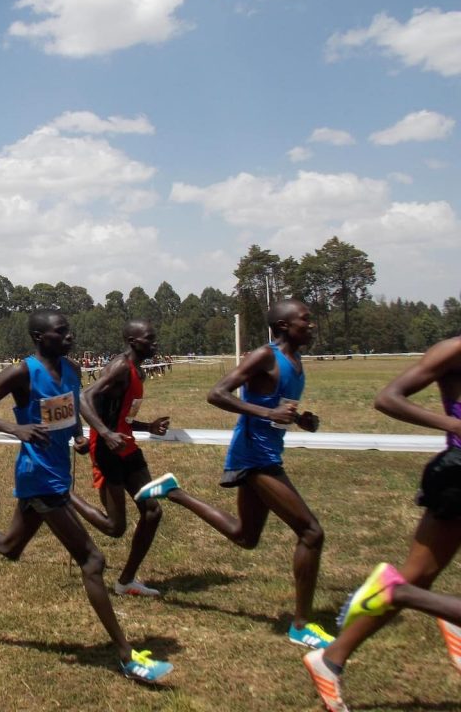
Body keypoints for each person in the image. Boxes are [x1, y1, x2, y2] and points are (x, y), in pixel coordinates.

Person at [0, 309, 173, 681]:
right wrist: (15, 428)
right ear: (38, 337)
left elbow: (69, 409)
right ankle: (127, 657)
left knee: (8, 546)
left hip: (57, 470)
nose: (69, 337)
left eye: (68, 331)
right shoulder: (21, 373)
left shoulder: (74, 370)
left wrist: (78, 435)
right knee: (92, 561)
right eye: (60, 332)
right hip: (38, 476)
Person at [134, 299, 330, 649]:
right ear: (284, 326)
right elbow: (217, 394)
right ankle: (301, 625)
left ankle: (174, 491)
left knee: (245, 537)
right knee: (311, 532)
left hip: (268, 453)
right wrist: (266, 414)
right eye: (305, 319)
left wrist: (301, 420)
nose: (311, 325)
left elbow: (276, 405)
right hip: (254, 457)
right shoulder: (265, 356)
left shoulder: (295, 362)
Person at [304, 334, 461, 712]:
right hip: (458, 475)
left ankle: (330, 659)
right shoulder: (455, 349)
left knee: (418, 577)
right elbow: (387, 398)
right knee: (413, 581)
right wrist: (452, 423)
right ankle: (409, 597)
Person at [69, 319, 170, 597]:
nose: (155, 343)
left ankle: (126, 581)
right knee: (115, 528)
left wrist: (148, 426)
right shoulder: (120, 367)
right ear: (133, 341)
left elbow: (120, 415)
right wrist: (104, 433)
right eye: (150, 338)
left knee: (153, 511)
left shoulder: (138, 371)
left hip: (127, 447)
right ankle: (64, 495)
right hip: (107, 449)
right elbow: (84, 396)